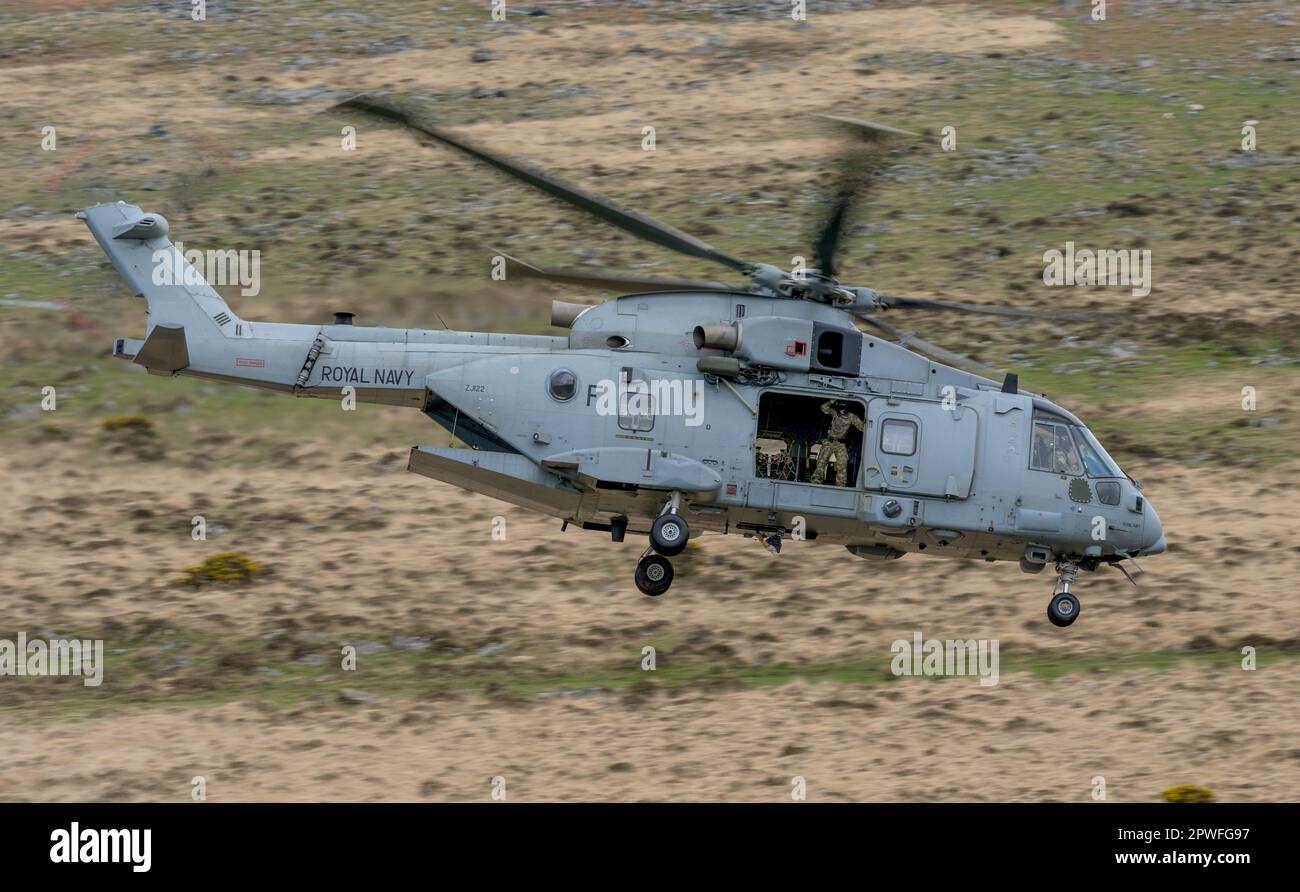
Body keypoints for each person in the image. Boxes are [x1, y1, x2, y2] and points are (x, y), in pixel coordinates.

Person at [811, 400, 863, 486]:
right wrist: (831, 401)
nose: (841, 411)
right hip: (829, 442)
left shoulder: (852, 417)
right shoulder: (835, 413)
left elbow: (862, 427)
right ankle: (816, 481)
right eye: (840, 409)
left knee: (842, 464)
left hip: (840, 444)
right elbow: (823, 408)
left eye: (843, 409)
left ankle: (841, 484)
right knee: (821, 463)